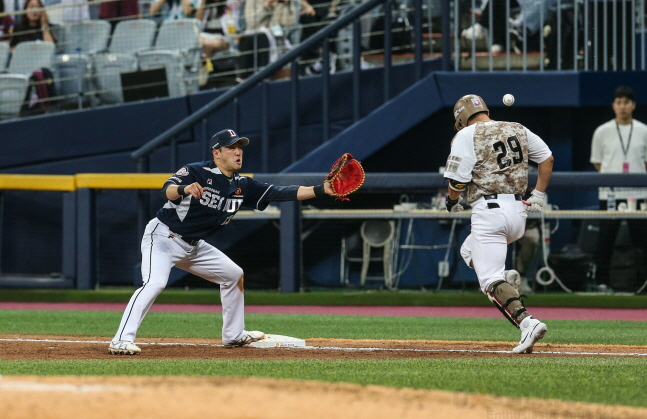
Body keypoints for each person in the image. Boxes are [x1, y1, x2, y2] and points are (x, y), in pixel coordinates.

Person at [109, 128, 335, 355]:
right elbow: (167, 191)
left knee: (233, 275)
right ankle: (120, 340)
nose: (238, 152)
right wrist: (184, 188)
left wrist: (322, 188)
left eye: (240, 148)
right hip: (163, 237)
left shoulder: (243, 185)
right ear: (216, 153)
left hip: (193, 245)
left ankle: (234, 335)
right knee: (155, 283)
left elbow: (282, 192)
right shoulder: (196, 171)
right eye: (231, 148)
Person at [443, 94, 554, 354]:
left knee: (488, 280)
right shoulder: (518, 128)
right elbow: (547, 159)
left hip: (489, 212)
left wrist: (451, 202)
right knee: (468, 251)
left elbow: (457, 183)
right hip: (518, 213)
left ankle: (527, 322)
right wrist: (537, 195)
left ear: (460, 118)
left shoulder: (466, 135)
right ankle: (507, 280)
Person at [589, 86, 647, 286]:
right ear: (614, 106)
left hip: (637, 194)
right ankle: (601, 282)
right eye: (619, 103)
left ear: (633, 105)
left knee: (642, 239)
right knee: (606, 238)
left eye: (626, 103)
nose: (622, 107)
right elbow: (597, 163)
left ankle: (643, 282)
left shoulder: (643, 130)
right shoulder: (602, 131)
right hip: (610, 194)